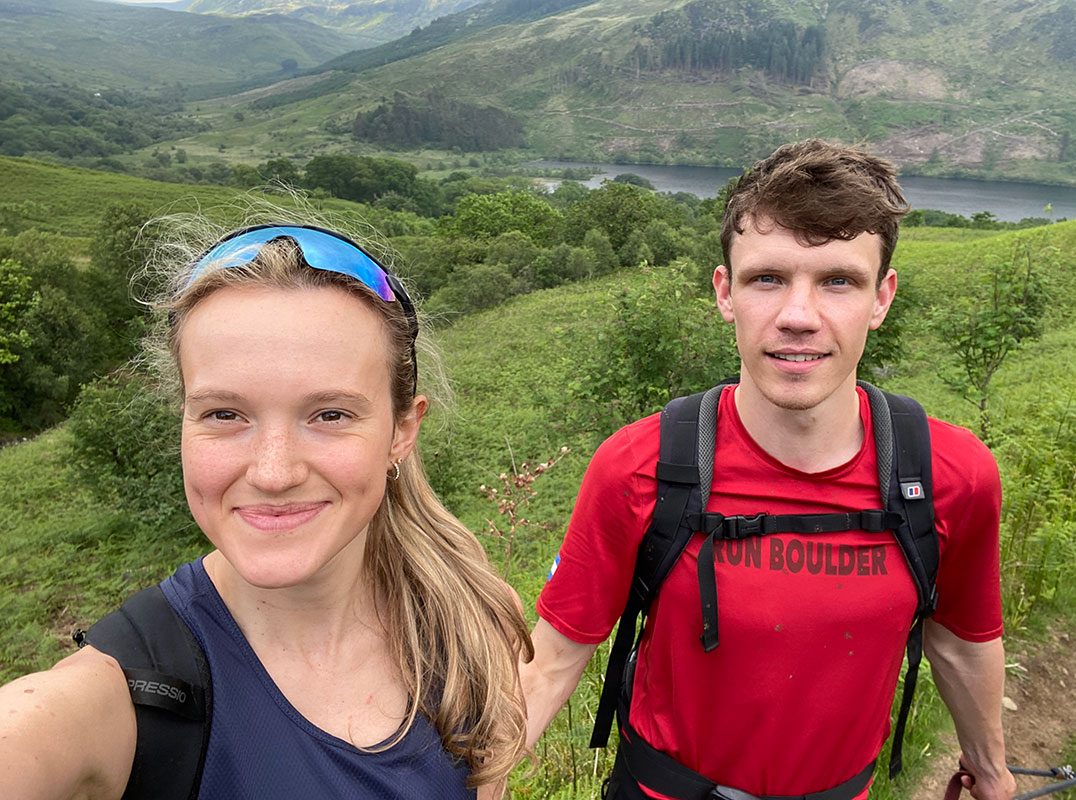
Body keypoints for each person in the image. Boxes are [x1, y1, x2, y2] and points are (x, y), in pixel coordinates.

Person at [519, 140, 1017, 800]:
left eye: (838, 280)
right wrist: (471, 780)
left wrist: (991, 773)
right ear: (725, 292)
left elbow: (960, 644)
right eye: (767, 279)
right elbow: (551, 661)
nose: (798, 317)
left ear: (882, 298)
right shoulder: (640, 467)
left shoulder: (951, 476)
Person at [0, 218, 532, 799]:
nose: (274, 473)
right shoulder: (118, 699)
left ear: (402, 431)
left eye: (331, 414)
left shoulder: (468, 621)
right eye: (225, 414)